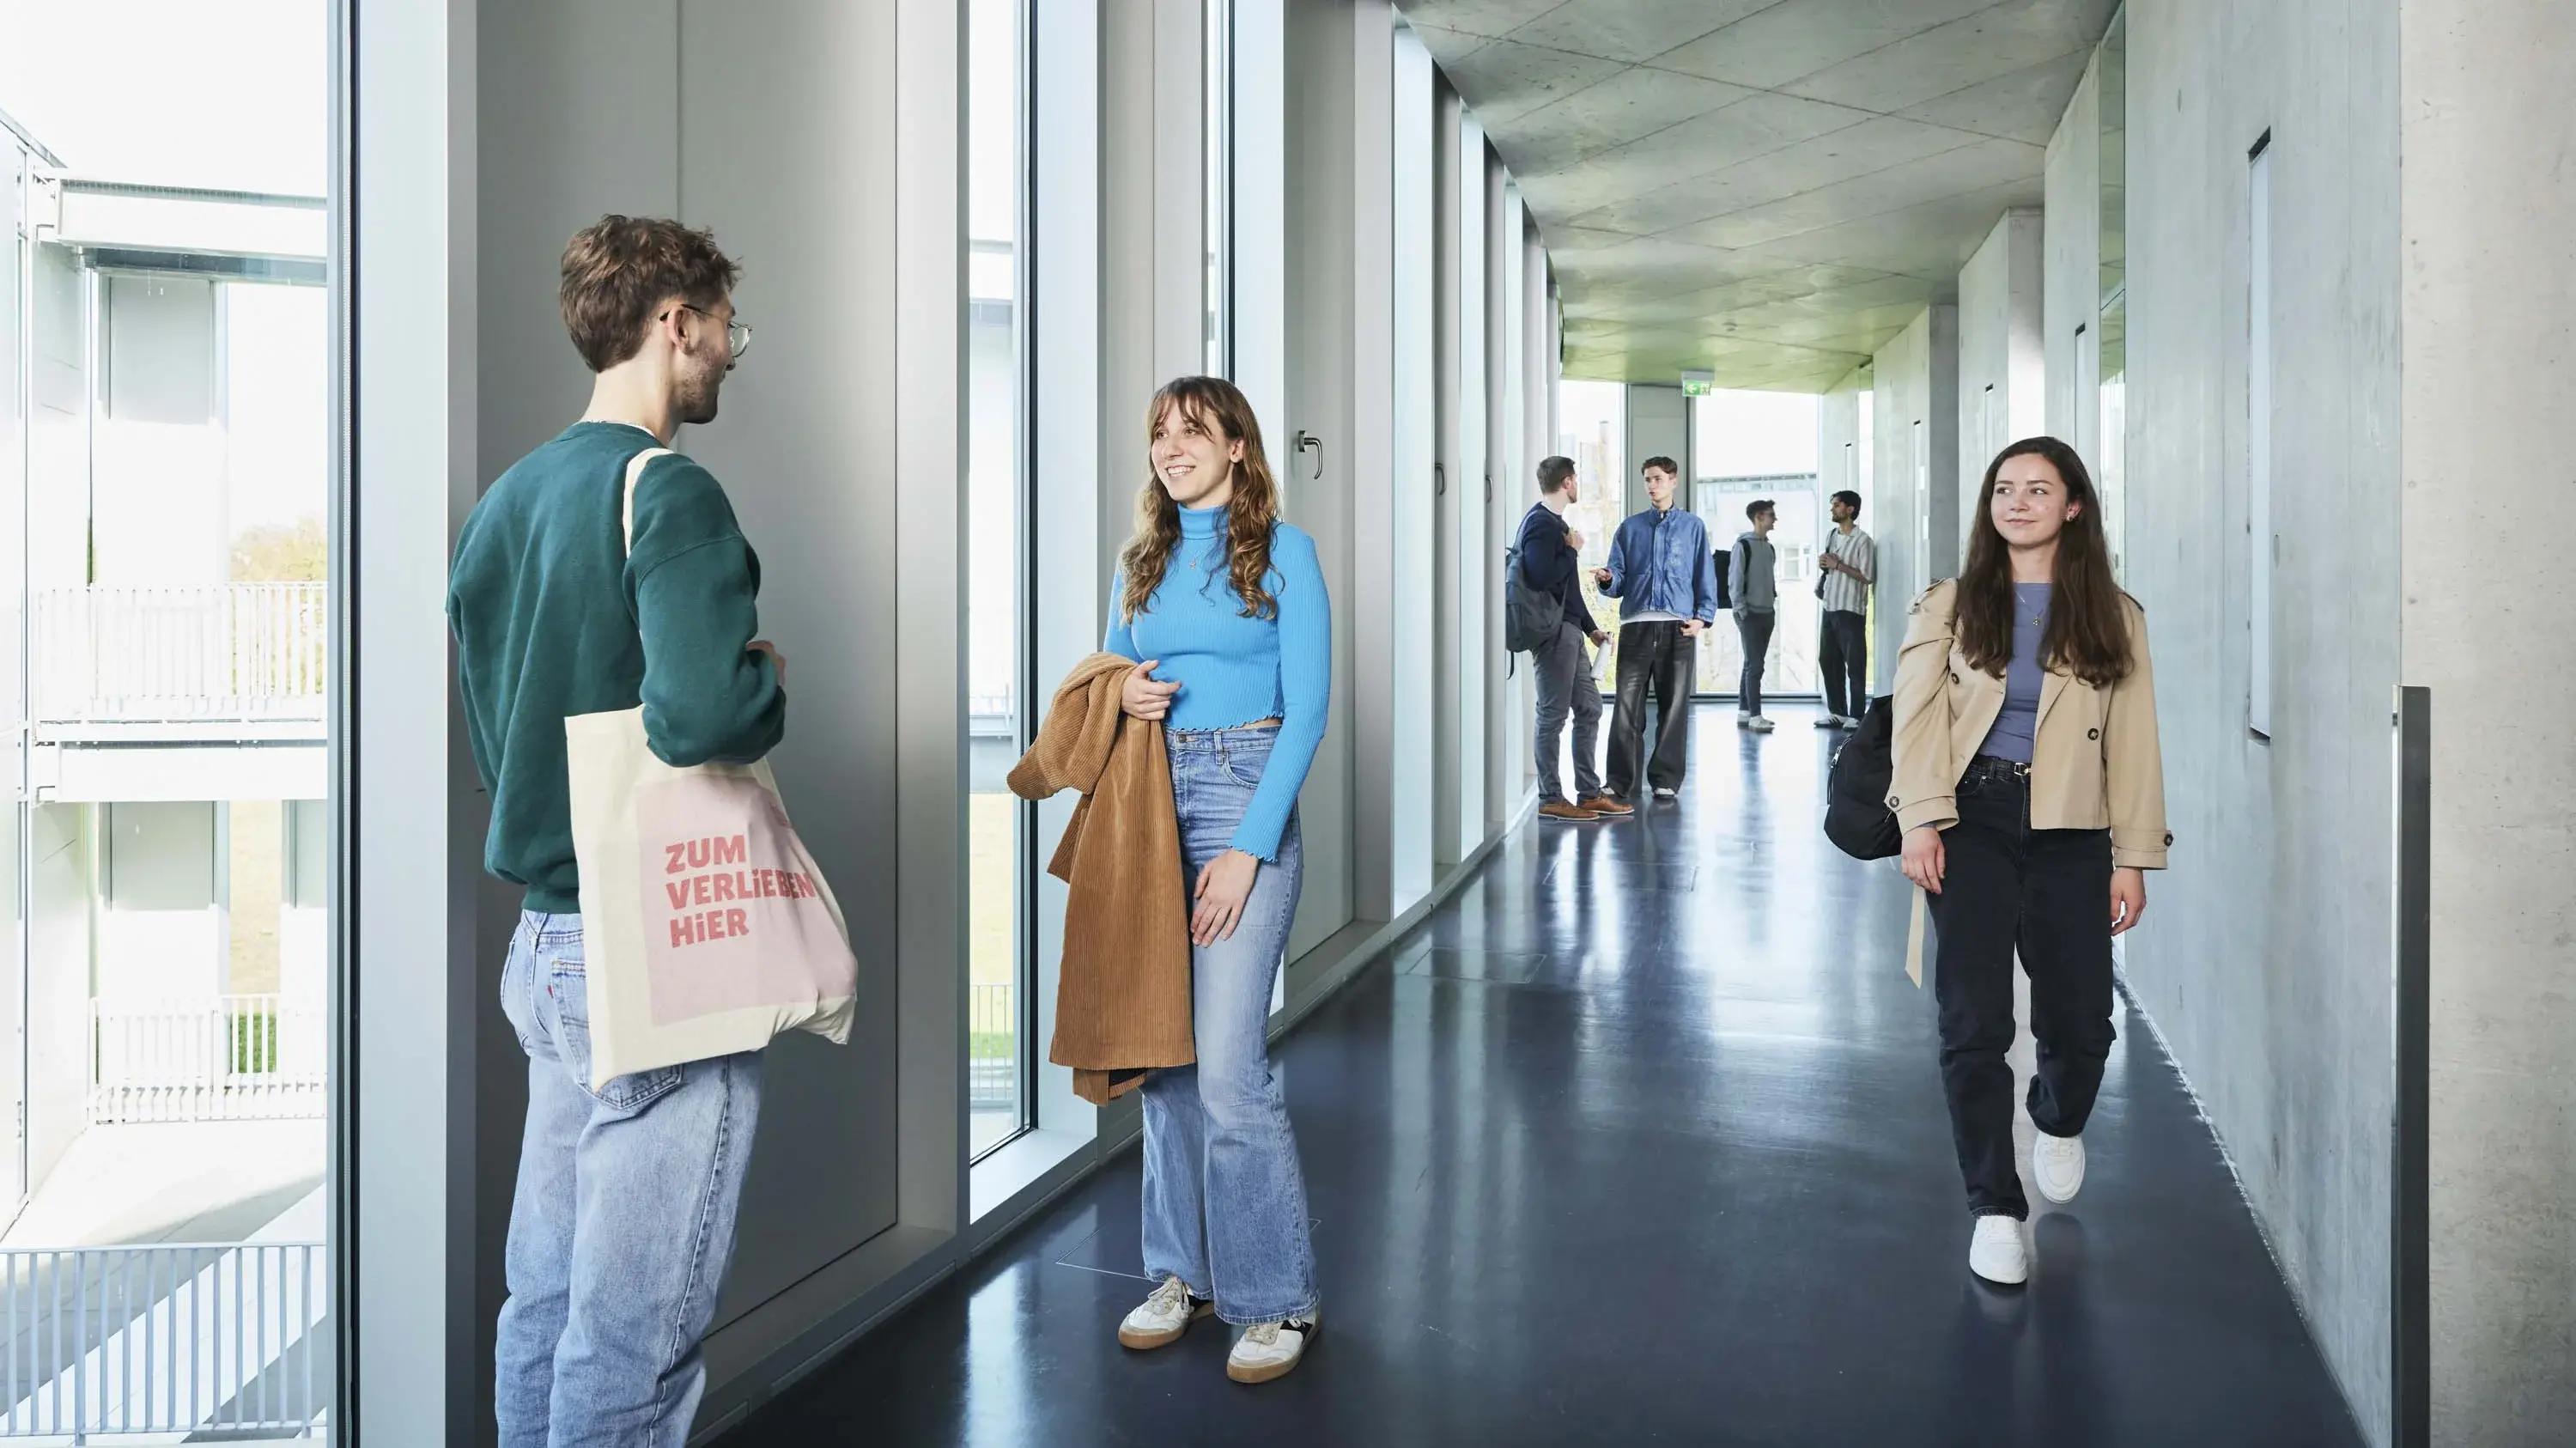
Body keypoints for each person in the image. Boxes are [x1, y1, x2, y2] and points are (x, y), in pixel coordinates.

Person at [452, 216, 784, 1446]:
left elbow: (499, 724)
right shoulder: (672, 489)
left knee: (544, 1292)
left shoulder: (507, 501)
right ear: (673, 321)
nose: (730, 356)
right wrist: (761, 679)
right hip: (654, 948)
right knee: (634, 1333)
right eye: (722, 329)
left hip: (545, 941)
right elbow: (703, 712)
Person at [1889, 435, 2169, 1287]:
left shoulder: (2113, 613)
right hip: (1970, 817)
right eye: (2004, 489)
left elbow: (2134, 741)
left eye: (2037, 490)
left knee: (2082, 1020)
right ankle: (1995, 1208)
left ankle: (2057, 1115)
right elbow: (1918, 718)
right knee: (1973, 1021)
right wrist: (1922, 821)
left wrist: (2134, 854)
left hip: (2073, 828)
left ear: (2073, 505)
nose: (2016, 502)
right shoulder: (1948, 603)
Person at [1103, 376, 1331, 1384]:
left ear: (1239, 446)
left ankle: (1276, 1298)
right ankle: (1178, 1277)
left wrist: (1249, 845)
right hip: (1153, 806)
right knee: (1166, 1063)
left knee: (1232, 1071)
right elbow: (1105, 676)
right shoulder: (1142, 563)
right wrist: (1130, 688)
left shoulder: (1287, 554)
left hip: (1246, 789)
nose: (1172, 446)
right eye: (1160, 433)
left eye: (1193, 431)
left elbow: (1311, 710)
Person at [1593, 456, 1717, 801]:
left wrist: (1703, 617)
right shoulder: (1629, 528)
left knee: (1674, 707)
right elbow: (1617, 577)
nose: (1652, 485)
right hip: (1636, 627)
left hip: (1678, 629)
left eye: (1658, 479)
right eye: (1648, 479)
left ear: (1673, 481)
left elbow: (1704, 575)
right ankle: (1619, 781)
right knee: (1626, 708)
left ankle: (1665, 779)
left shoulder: (1693, 527)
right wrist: (1608, 579)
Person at [1518, 456, 1627, 821]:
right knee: (1552, 715)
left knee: (1590, 708)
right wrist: (1573, 550)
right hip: (1551, 635)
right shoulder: (1541, 525)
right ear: (1567, 482)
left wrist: (1591, 628)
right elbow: (1540, 576)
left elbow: (1569, 590)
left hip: (1569, 632)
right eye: (1576, 479)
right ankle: (1551, 797)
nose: (1577, 485)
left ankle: (1589, 793)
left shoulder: (1556, 525)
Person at [1815, 489, 1877, 728]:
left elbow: (1868, 576)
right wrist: (1825, 566)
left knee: (1855, 664)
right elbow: (1829, 566)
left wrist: (1838, 565)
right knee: (1828, 660)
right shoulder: (1832, 535)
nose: (1833, 509)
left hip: (1851, 609)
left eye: (1837, 505)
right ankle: (1837, 711)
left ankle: (1857, 715)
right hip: (1830, 606)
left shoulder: (1863, 541)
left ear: (1850, 509)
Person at [1727, 499, 1780, 733]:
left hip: (1767, 612)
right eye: (1770, 515)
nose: (1774, 519)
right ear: (1759, 517)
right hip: (1749, 615)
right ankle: (1756, 716)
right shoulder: (1743, 546)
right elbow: (1735, 581)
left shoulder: (1769, 547)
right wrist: (1741, 611)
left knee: (1751, 663)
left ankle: (1744, 711)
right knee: (1756, 665)